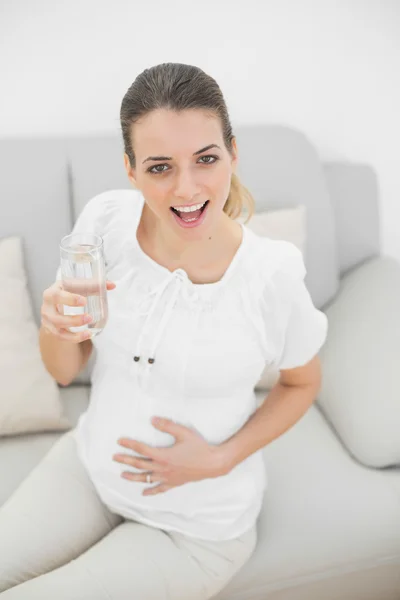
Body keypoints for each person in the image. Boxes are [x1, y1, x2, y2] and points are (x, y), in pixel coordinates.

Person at [0, 63, 328, 599]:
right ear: (130, 170)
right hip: (89, 471)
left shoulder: (271, 274)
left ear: (232, 154)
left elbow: (302, 382)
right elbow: (63, 371)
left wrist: (220, 458)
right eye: (159, 167)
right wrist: (54, 323)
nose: (187, 188)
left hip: (195, 528)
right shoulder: (105, 222)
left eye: (206, 159)